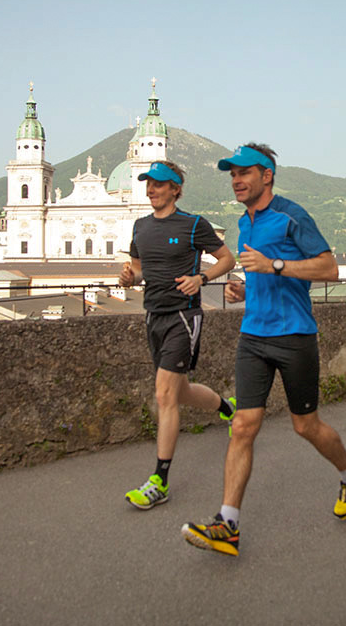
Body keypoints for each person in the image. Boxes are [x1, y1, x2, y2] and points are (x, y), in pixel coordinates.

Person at [182, 144, 346, 557]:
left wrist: (276, 266)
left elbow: (329, 268)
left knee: (306, 426)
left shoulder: (291, 215)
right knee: (244, 426)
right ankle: (227, 524)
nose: (236, 180)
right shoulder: (243, 223)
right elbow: (261, 272)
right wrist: (246, 287)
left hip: (294, 335)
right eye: (232, 174)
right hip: (253, 335)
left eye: (244, 172)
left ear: (267, 175)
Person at [119, 161, 238, 510]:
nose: (151, 189)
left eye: (159, 184)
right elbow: (138, 271)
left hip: (183, 317)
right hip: (153, 316)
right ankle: (227, 408)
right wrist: (128, 278)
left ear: (175, 189)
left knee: (165, 395)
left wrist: (201, 278)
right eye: (148, 183)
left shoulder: (192, 225)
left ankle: (159, 480)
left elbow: (226, 258)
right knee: (179, 390)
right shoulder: (140, 227)